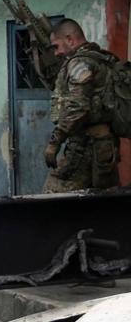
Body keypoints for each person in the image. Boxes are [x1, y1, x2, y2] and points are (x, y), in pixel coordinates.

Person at [43, 18, 119, 193]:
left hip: (84, 146)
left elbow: (77, 106)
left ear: (70, 39)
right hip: (107, 146)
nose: (56, 53)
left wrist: (55, 142)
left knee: (52, 194)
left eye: (56, 46)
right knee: (104, 198)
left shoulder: (80, 63)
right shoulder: (104, 59)